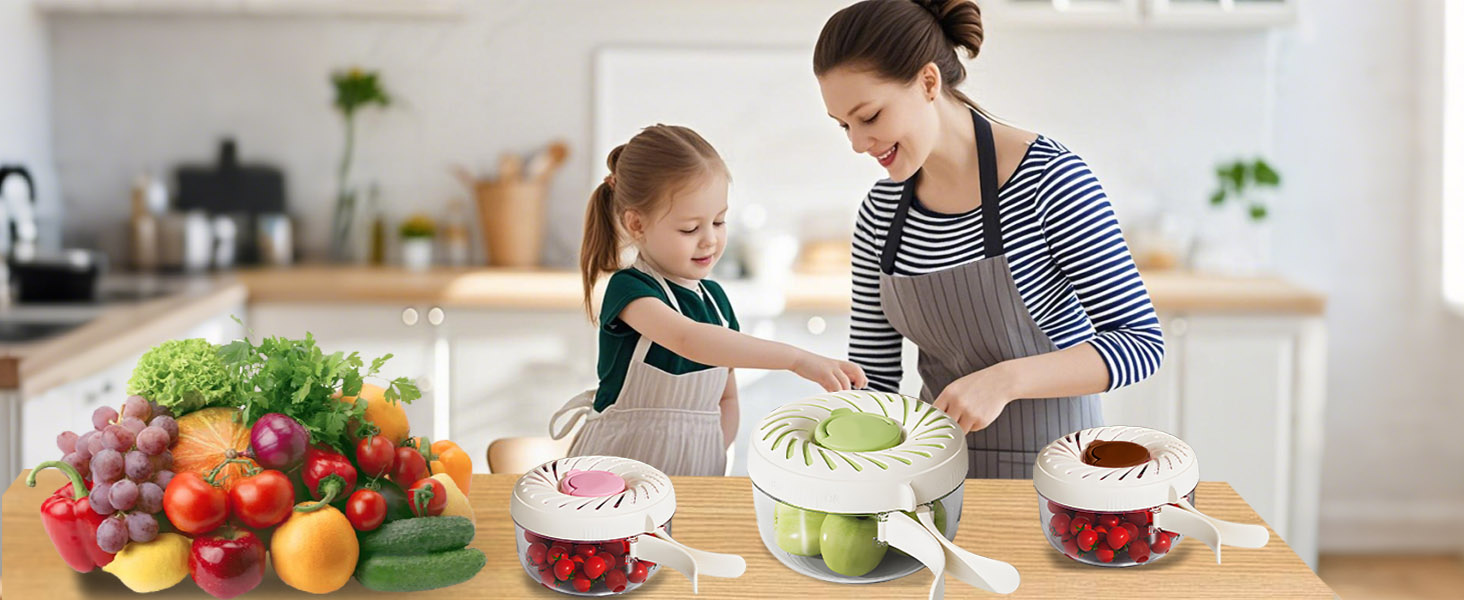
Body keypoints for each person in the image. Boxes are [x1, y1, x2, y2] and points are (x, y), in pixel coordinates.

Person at [814, 0, 1165, 477]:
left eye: (870, 116)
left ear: (928, 82)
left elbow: (1140, 344)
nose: (857, 143)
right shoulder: (881, 211)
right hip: (933, 473)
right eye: (844, 127)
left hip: (1057, 476)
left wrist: (1005, 381)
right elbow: (874, 376)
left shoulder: (1049, 180)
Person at [551, 124, 868, 476]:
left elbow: (726, 398)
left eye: (719, 221)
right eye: (690, 229)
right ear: (637, 224)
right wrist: (796, 359)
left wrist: (712, 449)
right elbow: (689, 340)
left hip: (695, 474)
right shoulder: (631, 290)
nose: (710, 241)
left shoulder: (716, 302)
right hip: (617, 472)